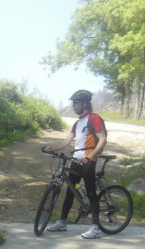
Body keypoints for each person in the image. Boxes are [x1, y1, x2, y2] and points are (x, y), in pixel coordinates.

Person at [42, 89, 108, 239]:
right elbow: (67, 141)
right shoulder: (77, 123)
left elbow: (102, 139)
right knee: (70, 192)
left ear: (84, 103)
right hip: (76, 160)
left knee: (91, 193)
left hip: (88, 160)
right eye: (73, 103)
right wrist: (53, 148)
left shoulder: (94, 118)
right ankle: (62, 222)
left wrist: (90, 156)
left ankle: (95, 228)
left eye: (76, 103)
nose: (73, 106)